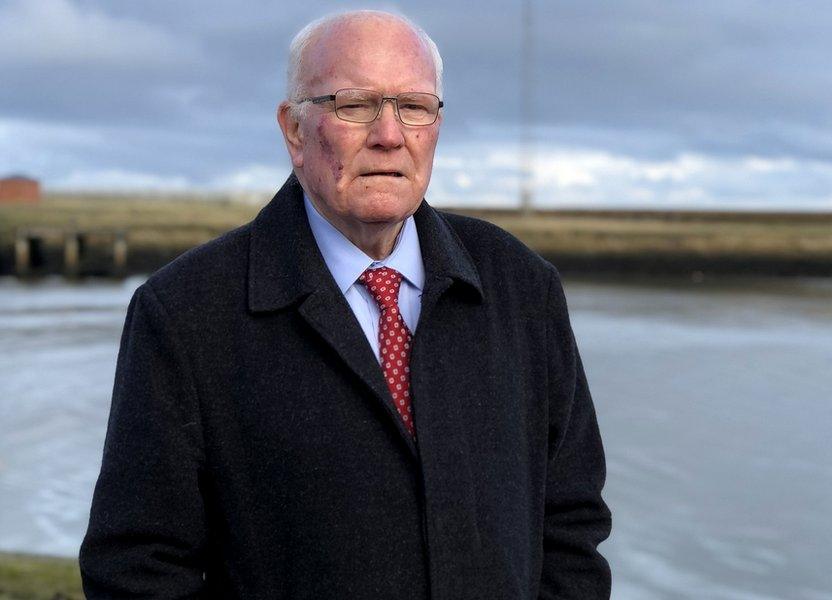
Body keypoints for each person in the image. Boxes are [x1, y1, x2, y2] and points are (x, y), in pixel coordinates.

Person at [79, 10, 611, 599]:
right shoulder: (184, 313)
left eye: (415, 106)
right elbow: (136, 567)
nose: (390, 134)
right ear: (293, 130)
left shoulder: (522, 287)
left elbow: (572, 524)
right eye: (355, 104)